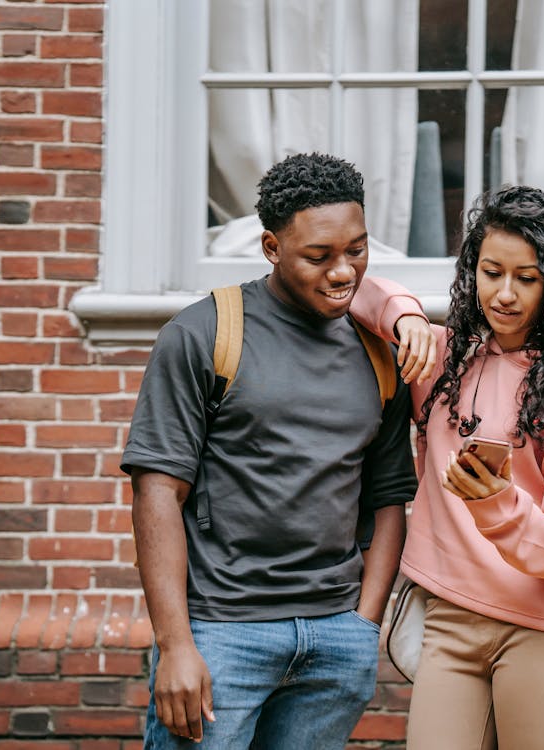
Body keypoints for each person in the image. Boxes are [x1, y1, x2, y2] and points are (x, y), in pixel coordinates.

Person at [122, 153, 419, 749]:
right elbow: (158, 490)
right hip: (222, 635)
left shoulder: (380, 352)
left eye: (357, 250)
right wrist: (176, 644)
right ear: (270, 247)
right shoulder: (205, 334)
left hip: (335, 638)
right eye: (318, 256)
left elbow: (388, 498)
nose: (343, 272)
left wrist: (364, 626)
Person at [350, 185, 544, 750]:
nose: (503, 293)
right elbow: (359, 291)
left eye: (526, 278)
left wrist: (495, 501)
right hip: (449, 622)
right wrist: (405, 319)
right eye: (490, 271)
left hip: (542, 631)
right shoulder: (444, 361)